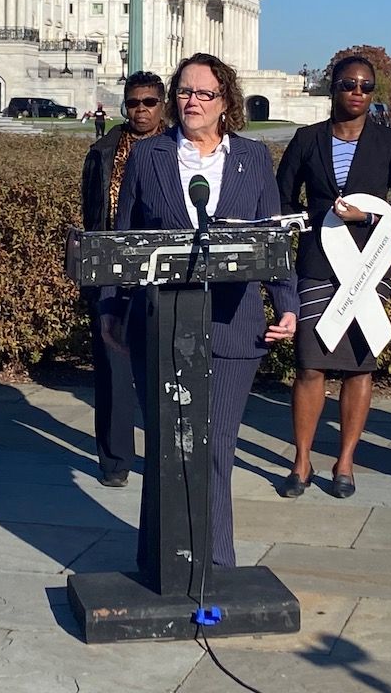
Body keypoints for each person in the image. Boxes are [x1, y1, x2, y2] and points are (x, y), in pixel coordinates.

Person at [114, 52, 298, 567]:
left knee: (215, 450)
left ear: (226, 103)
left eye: (204, 93)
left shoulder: (254, 158)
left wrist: (285, 303)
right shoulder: (148, 156)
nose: (191, 101)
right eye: (184, 92)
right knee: (167, 450)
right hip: (162, 326)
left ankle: (216, 564)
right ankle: (159, 560)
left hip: (233, 327)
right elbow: (124, 240)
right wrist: (114, 313)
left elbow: (271, 236)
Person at [276, 55, 391, 498]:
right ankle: (301, 460)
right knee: (310, 366)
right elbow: (281, 201)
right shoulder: (306, 140)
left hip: (367, 268)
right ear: (332, 87)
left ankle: (345, 462)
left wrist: (370, 215)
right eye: (348, 84)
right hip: (318, 266)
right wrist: (311, 221)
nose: (357, 92)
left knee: (359, 370)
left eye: (365, 86)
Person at [79, 72, 167, 487]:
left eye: (149, 102)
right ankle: (115, 460)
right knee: (113, 372)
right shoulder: (103, 151)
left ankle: (166, 454)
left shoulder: (179, 148)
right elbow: (91, 213)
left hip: (164, 272)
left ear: (162, 104)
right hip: (113, 272)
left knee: (163, 371)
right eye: (134, 103)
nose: (141, 110)